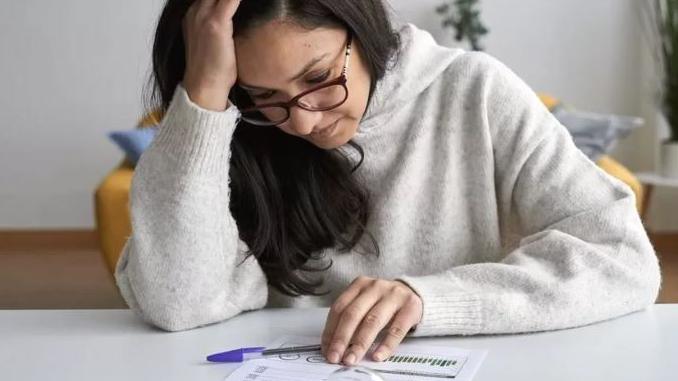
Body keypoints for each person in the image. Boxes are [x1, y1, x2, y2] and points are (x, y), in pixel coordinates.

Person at [115, 0, 661, 367]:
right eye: (264, 96)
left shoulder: (476, 91)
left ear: (361, 27)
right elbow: (177, 303)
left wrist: (430, 299)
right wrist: (206, 97)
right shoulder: (230, 128)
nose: (302, 122)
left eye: (318, 78)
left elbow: (621, 260)